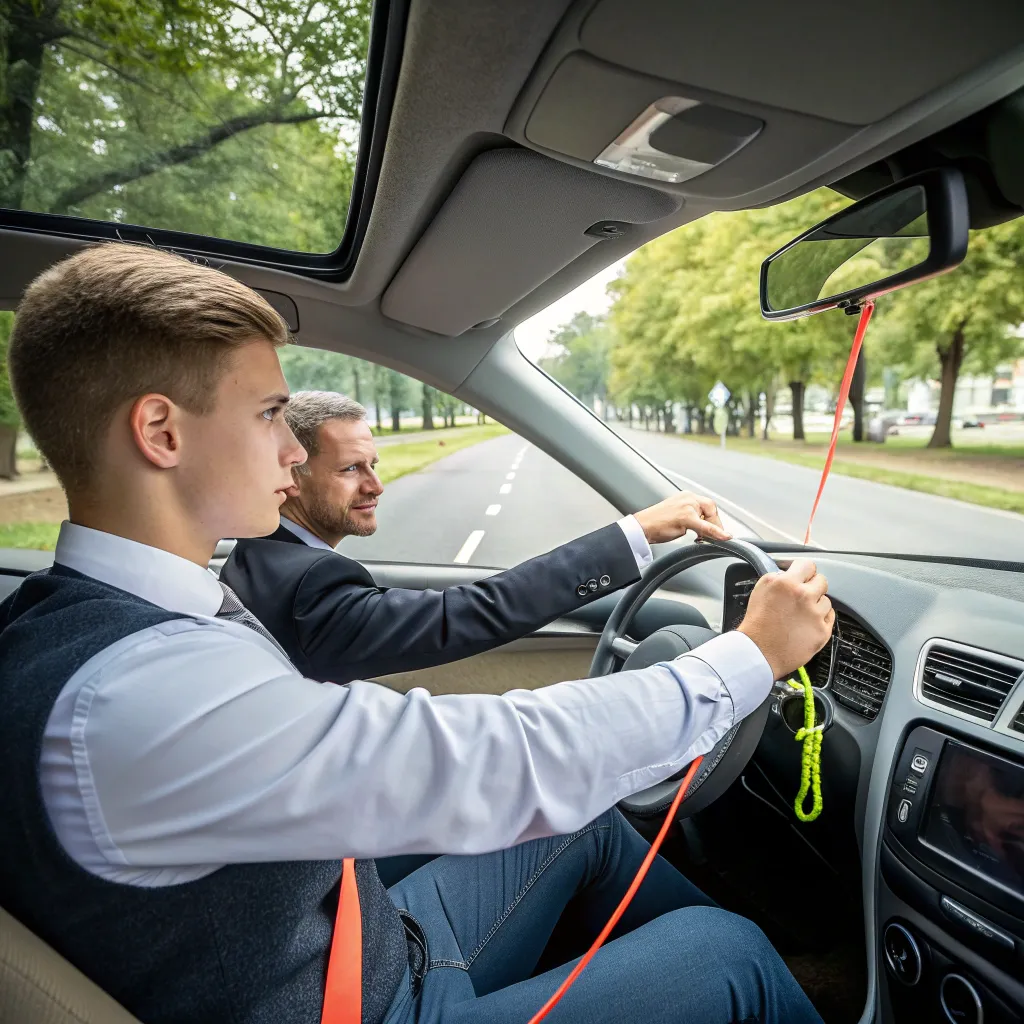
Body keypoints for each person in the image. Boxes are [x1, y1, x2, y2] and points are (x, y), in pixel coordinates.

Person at [0, 243, 835, 1024]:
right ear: (161, 433)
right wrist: (755, 653)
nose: (293, 453)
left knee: (578, 824)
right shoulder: (132, 697)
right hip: (364, 1004)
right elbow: (500, 758)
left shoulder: (105, 617)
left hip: (361, 940)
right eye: (267, 416)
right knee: (726, 953)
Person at [220, 389, 726, 684]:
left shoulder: (260, 556)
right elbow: (464, 614)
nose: (376, 485)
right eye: (351, 469)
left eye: (374, 465)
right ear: (293, 474)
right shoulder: (307, 583)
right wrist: (634, 532)